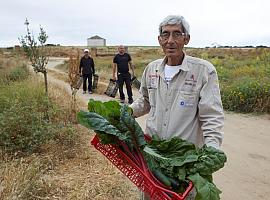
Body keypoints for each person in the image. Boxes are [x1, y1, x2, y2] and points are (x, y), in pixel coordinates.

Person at [130, 15, 224, 200]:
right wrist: (127, 112)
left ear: (186, 38)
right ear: (159, 40)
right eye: (165, 35)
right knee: (150, 196)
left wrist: (212, 149)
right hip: (153, 155)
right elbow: (145, 101)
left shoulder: (203, 71)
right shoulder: (152, 69)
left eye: (177, 34)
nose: (170, 41)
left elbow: (211, 116)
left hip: (185, 159)